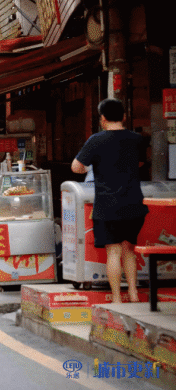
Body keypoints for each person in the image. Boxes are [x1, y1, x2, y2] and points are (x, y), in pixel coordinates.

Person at [71, 98, 148, 304]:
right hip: (134, 203)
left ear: (102, 118)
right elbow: (140, 163)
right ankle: (133, 294)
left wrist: (95, 163)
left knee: (113, 252)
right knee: (129, 250)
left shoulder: (96, 140)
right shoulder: (137, 139)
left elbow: (76, 167)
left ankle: (116, 299)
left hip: (108, 205)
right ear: (124, 116)